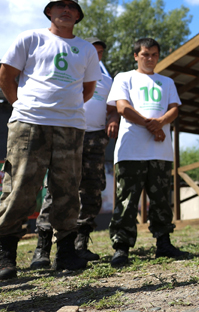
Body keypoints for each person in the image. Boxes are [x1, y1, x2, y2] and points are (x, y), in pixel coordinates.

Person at [0, 0, 101, 279]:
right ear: (49, 11)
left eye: (72, 6)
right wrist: (20, 105)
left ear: (78, 15)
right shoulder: (30, 38)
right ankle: (5, 254)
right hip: (29, 123)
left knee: (68, 189)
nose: (66, 10)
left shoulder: (86, 49)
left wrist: (64, 110)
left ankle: (66, 252)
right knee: (21, 188)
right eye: (60, 6)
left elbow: (88, 89)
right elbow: (6, 75)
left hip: (70, 126)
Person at [31, 37, 119, 268]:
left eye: (100, 52)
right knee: (58, 188)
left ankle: (79, 245)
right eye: (93, 51)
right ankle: (42, 248)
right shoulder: (71, 70)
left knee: (91, 189)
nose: (97, 55)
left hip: (96, 138)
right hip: (69, 133)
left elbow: (112, 110)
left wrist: (113, 119)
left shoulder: (107, 80)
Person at [107, 37, 185, 267]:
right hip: (131, 149)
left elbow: (174, 109)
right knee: (127, 201)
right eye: (144, 55)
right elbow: (122, 107)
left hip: (160, 151)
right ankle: (121, 247)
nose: (149, 59)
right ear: (135, 56)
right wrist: (152, 125)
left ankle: (164, 243)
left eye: (153, 55)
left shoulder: (167, 81)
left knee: (161, 199)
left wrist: (159, 124)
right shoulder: (124, 77)